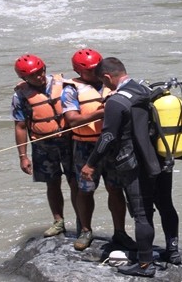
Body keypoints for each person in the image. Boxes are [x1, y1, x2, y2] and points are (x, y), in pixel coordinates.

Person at [81, 57, 175, 277]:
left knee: (141, 214)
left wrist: (90, 164)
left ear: (106, 77)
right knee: (164, 206)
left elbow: (108, 137)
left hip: (133, 162)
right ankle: (173, 251)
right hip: (158, 158)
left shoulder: (116, 101)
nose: (106, 88)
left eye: (104, 83)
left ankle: (145, 264)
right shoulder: (143, 89)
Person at [61, 48, 136, 251]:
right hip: (85, 146)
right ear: (78, 71)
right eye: (90, 70)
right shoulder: (70, 90)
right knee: (85, 190)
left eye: (97, 69)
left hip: (112, 146)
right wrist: (104, 111)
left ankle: (120, 232)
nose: (95, 74)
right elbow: (72, 119)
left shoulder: (112, 84)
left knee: (115, 188)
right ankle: (85, 230)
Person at [11, 54, 77, 237]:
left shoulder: (63, 84)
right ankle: (58, 221)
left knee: (75, 182)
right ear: (24, 78)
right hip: (43, 145)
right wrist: (23, 156)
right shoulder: (20, 96)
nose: (39, 76)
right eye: (33, 75)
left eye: (41, 72)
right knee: (52, 183)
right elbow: (20, 125)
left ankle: (82, 222)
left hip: (69, 140)